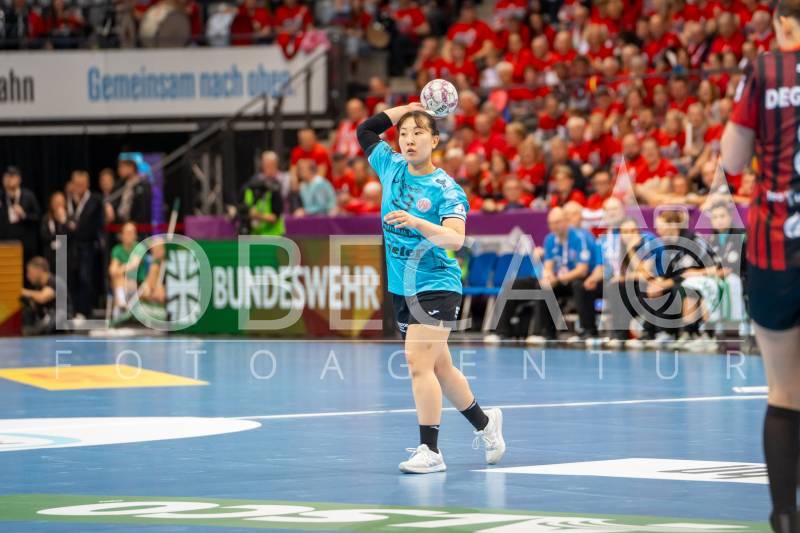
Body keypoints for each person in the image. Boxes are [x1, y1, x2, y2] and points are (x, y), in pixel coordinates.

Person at [357, 101, 505, 474]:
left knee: (416, 362)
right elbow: (366, 130)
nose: (409, 140)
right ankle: (486, 424)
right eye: (404, 134)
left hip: (437, 283)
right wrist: (407, 108)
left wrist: (416, 221)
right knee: (441, 367)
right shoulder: (390, 166)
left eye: (418, 133)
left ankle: (431, 450)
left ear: (435, 140)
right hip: (401, 286)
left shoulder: (446, 189)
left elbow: (456, 239)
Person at [720, 3, 800, 527]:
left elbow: (731, 160)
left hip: (776, 247)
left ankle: (785, 517)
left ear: (782, 23)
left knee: (785, 391)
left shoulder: (766, 69)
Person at [528, 207, 593, 344]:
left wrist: (557, 278)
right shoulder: (550, 239)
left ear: (566, 221)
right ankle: (546, 332)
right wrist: (548, 277)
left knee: (579, 285)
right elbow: (548, 266)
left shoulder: (579, 237)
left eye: (557, 222)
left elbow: (582, 270)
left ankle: (588, 330)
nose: (554, 226)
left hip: (577, 278)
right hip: (560, 280)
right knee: (544, 286)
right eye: (551, 223)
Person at [66, 170, 103, 319]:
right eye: (76, 184)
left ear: (87, 184)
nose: (78, 187)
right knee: (72, 278)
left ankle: (86, 311)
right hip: (71, 246)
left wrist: (75, 227)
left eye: (81, 184)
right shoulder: (70, 200)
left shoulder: (95, 200)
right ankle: (73, 311)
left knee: (85, 278)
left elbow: (88, 225)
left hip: (88, 246)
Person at [0, 166, 40, 264]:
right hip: (4, 245)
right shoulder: (1, 196)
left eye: (12, 176)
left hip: (24, 246)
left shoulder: (28, 196)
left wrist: (24, 215)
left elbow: (37, 217)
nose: (9, 179)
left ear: (19, 179)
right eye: (6, 176)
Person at [240, 151, 285, 236]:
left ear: (276, 165)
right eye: (265, 164)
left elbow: (275, 217)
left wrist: (258, 215)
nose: (267, 168)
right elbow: (244, 208)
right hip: (256, 236)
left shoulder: (278, 185)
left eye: (270, 164)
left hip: (274, 237)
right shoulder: (253, 184)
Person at [20, 256, 66, 335]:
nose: (28, 276)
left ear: (39, 270)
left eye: (30, 272)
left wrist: (21, 291)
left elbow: (42, 297)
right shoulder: (39, 287)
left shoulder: (53, 281)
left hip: (61, 322)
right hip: (48, 322)